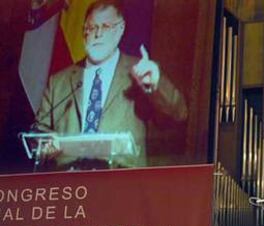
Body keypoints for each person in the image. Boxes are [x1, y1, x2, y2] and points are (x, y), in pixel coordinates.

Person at [32, 0, 187, 170]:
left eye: (105, 27)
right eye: (91, 28)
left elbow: (178, 116)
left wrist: (156, 86)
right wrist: (46, 144)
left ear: (120, 29)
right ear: (84, 31)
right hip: (69, 186)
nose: (98, 34)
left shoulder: (139, 73)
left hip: (121, 186)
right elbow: (38, 135)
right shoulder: (58, 81)